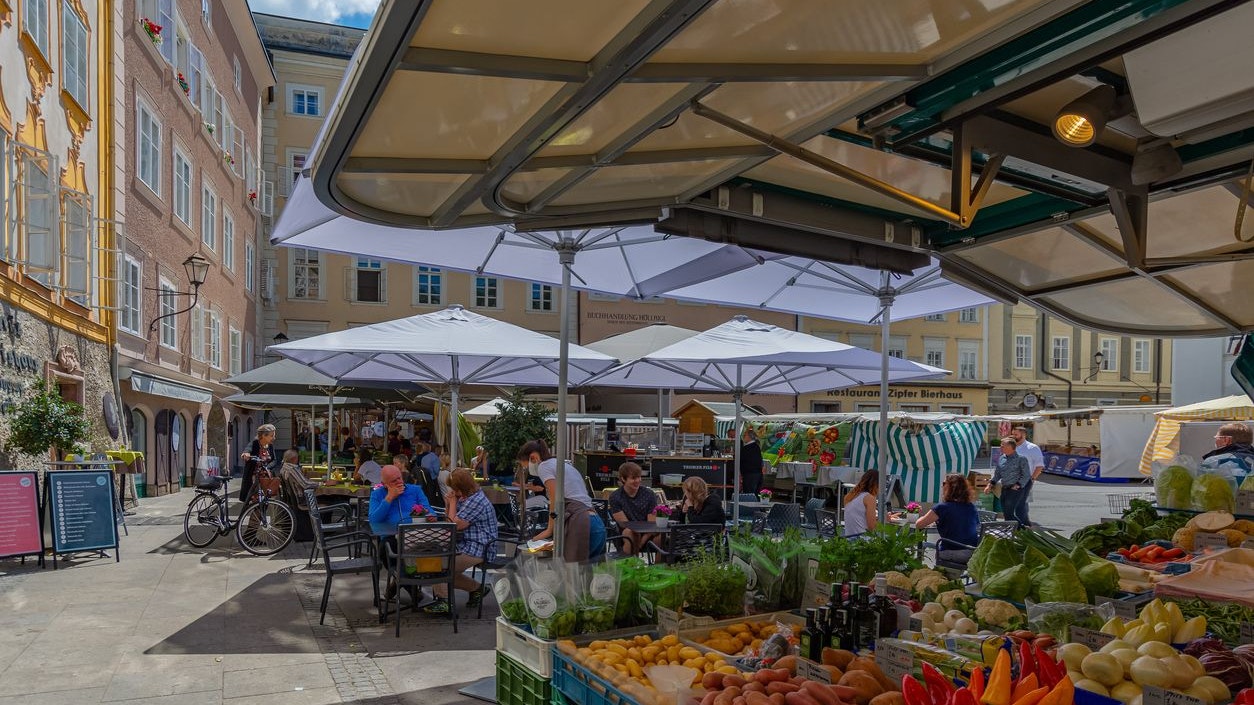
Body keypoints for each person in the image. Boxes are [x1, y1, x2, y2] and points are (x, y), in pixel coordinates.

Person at [517, 439, 605, 562]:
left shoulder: (544, 466)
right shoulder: (562, 464)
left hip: (582, 524)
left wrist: (549, 529)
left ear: (533, 458)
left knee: (574, 573)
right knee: (591, 577)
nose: (528, 471)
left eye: (526, 467)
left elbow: (555, 499)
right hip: (596, 522)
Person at [423, 469, 497, 614]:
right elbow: (449, 520)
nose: (453, 491)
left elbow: (453, 526)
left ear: (461, 488)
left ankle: (444, 601)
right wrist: (448, 504)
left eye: (454, 489)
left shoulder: (476, 501)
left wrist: (452, 502)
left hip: (479, 548)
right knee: (433, 563)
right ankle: (477, 589)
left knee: (438, 563)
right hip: (467, 544)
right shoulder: (469, 497)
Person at [915, 474, 980, 563]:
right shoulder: (971, 507)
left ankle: (942, 575)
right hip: (973, 553)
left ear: (949, 487)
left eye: (944, 483)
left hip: (951, 551)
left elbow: (919, 525)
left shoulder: (942, 507)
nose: (942, 486)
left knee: (925, 545)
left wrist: (921, 517)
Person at [608, 461, 658, 554]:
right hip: (627, 531)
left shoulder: (649, 494)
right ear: (623, 479)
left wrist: (641, 543)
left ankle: (659, 566)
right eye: (633, 478)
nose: (638, 480)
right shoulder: (615, 497)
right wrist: (637, 537)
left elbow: (652, 523)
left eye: (639, 477)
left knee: (660, 536)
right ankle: (630, 564)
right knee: (630, 532)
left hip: (647, 531)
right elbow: (624, 524)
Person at [367, 464, 434, 524]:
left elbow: (428, 508)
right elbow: (373, 520)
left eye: (399, 478)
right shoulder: (377, 494)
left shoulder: (416, 490)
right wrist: (389, 498)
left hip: (415, 531)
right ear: (384, 484)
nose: (399, 482)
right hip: (390, 534)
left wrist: (431, 515)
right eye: (394, 481)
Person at [987, 438, 1031, 528]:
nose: (1000, 447)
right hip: (1005, 488)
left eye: (1003, 445)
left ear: (1011, 447)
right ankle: (1010, 529)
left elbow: (1026, 475)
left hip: (1015, 489)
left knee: (1009, 512)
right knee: (1006, 513)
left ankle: (1021, 529)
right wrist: (990, 484)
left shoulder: (1021, 459)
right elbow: (997, 474)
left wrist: (1018, 485)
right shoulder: (1001, 458)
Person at [239, 424, 281, 502]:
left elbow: (274, 460)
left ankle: (261, 514)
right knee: (256, 502)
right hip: (254, 479)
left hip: (267, 478)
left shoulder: (270, 446)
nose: (274, 438)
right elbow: (248, 448)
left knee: (265, 503)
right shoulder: (255, 443)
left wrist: (267, 467)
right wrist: (246, 453)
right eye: (272, 436)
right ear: (264, 435)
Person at [1012, 426, 1045, 520]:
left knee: (1022, 504)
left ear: (1023, 435)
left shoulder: (1032, 448)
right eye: (1013, 434)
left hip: (1025, 481)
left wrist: (1032, 479)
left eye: (1016, 434)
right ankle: (1014, 524)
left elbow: (1039, 466)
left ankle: (1023, 524)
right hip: (1010, 480)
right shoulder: (1011, 446)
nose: (1013, 436)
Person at [843, 469, 880, 538]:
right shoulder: (869, 498)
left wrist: (880, 518)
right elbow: (872, 527)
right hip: (861, 540)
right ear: (876, 484)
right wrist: (885, 520)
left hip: (849, 538)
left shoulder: (850, 496)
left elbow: (859, 518)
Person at [739, 428, 765, 496]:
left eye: (745, 435)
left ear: (749, 437)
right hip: (757, 474)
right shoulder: (756, 446)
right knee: (755, 494)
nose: (744, 437)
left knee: (749, 495)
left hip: (750, 475)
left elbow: (741, 460)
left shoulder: (747, 448)